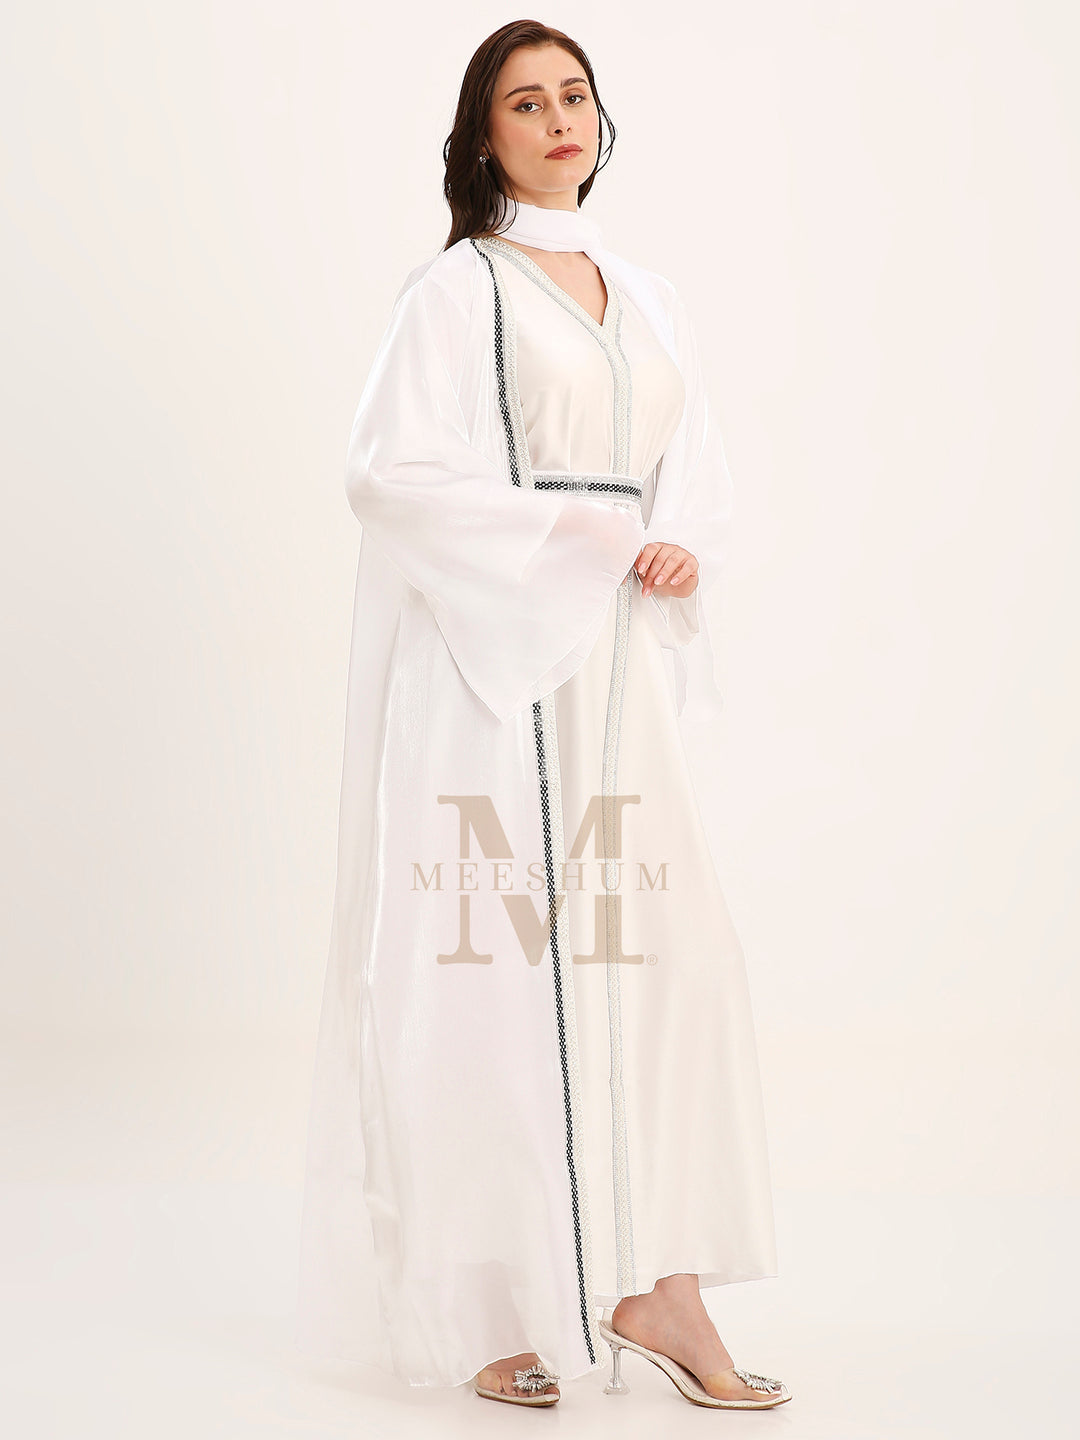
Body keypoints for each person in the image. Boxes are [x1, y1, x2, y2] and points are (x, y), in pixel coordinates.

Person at [294, 19, 791, 1412]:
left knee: (666, 957)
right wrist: (578, 544)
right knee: (494, 971)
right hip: (495, 672)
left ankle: (658, 1284)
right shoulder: (458, 292)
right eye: (527, 102)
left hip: (621, 672)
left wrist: (675, 546)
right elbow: (390, 474)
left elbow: (691, 469)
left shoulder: (651, 297)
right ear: (483, 136)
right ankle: (493, 1293)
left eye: (575, 95)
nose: (560, 117)